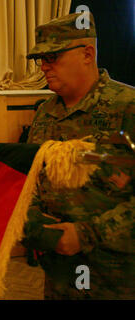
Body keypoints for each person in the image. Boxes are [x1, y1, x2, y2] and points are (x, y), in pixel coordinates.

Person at [23, 12, 134, 299]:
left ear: (87, 54)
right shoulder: (45, 114)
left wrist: (87, 234)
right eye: (40, 60)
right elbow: (30, 181)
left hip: (117, 278)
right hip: (59, 275)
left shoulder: (128, 108)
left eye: (53, 57)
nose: (44, 67)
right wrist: (33, 221)